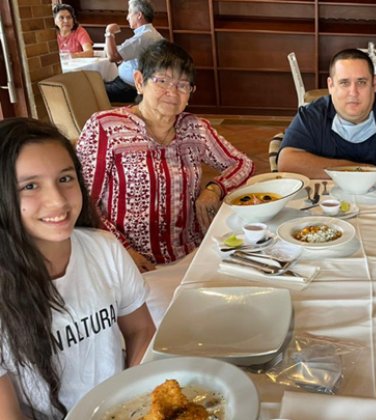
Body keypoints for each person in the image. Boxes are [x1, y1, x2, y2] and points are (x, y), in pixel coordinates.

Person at [0, 118, 155, 419]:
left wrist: (129, 401)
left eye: (65, 179)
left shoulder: (104, 248)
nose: (57, 201)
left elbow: (141, 329)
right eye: (30, 186)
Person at [77, 40, 254, 273]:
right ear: (140, 82)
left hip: (191, 255)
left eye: (183, 85)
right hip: (128, 263)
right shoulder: (106, 127)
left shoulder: (194, 128)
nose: (172, 92)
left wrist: (215, 189)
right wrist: (124, 251)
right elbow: (83, 203)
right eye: (162, 81)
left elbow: (242, 163)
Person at [278, 48, 376, 192]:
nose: (353, 92)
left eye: (361, 82)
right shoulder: (312, 115)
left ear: (374, 84)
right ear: (331, 85)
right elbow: (286, 162)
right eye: (344, 83)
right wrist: (362, 171)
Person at [103, 0, 163, 103]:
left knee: (90, 90)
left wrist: (109, 32)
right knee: (95, 84)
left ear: (139, 15)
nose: (127, 17)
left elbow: (112, 57)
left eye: (130, 12)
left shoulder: (142, 37)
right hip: (127, 84)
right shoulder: (151, 34)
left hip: (128, 88)